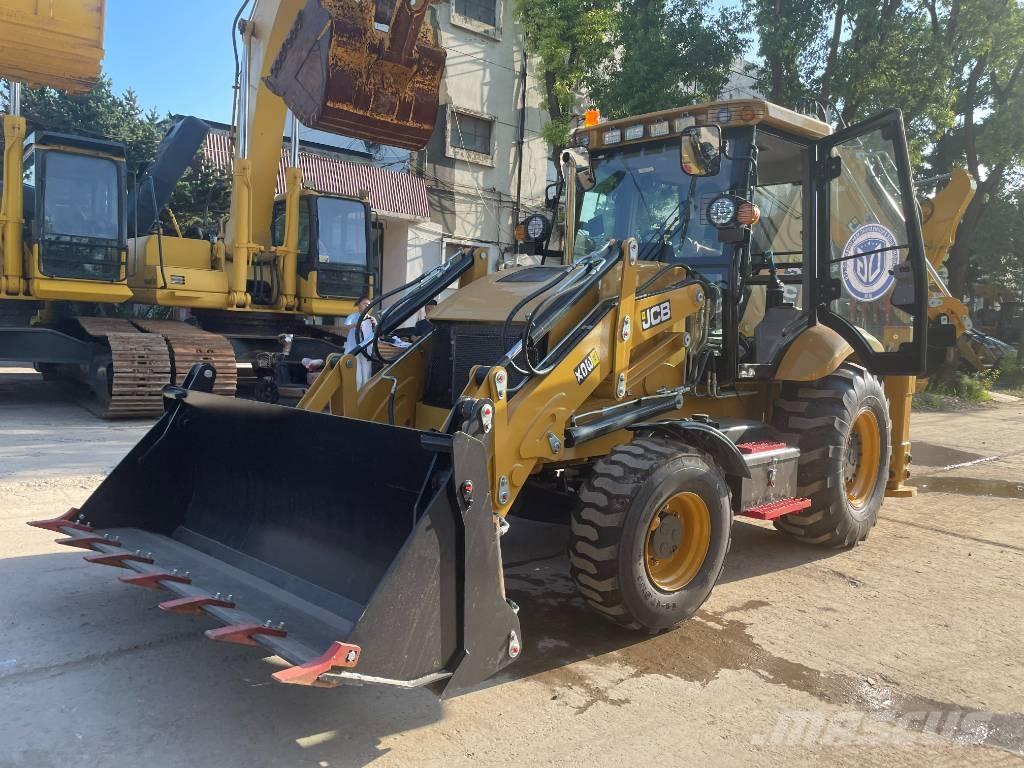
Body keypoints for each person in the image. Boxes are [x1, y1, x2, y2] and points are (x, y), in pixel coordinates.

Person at [341, 295, 376, 387]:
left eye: (369, 304)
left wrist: (375, 324)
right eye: (364, 303)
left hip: (366, 351)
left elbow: (378, 334)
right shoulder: (352, 316)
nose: (367, 306)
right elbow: (344, 327)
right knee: (357, 377)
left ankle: (364, 396)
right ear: (359, 305)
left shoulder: (371, 319)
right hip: (354, 348)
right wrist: (355, 325)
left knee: (366, 375)